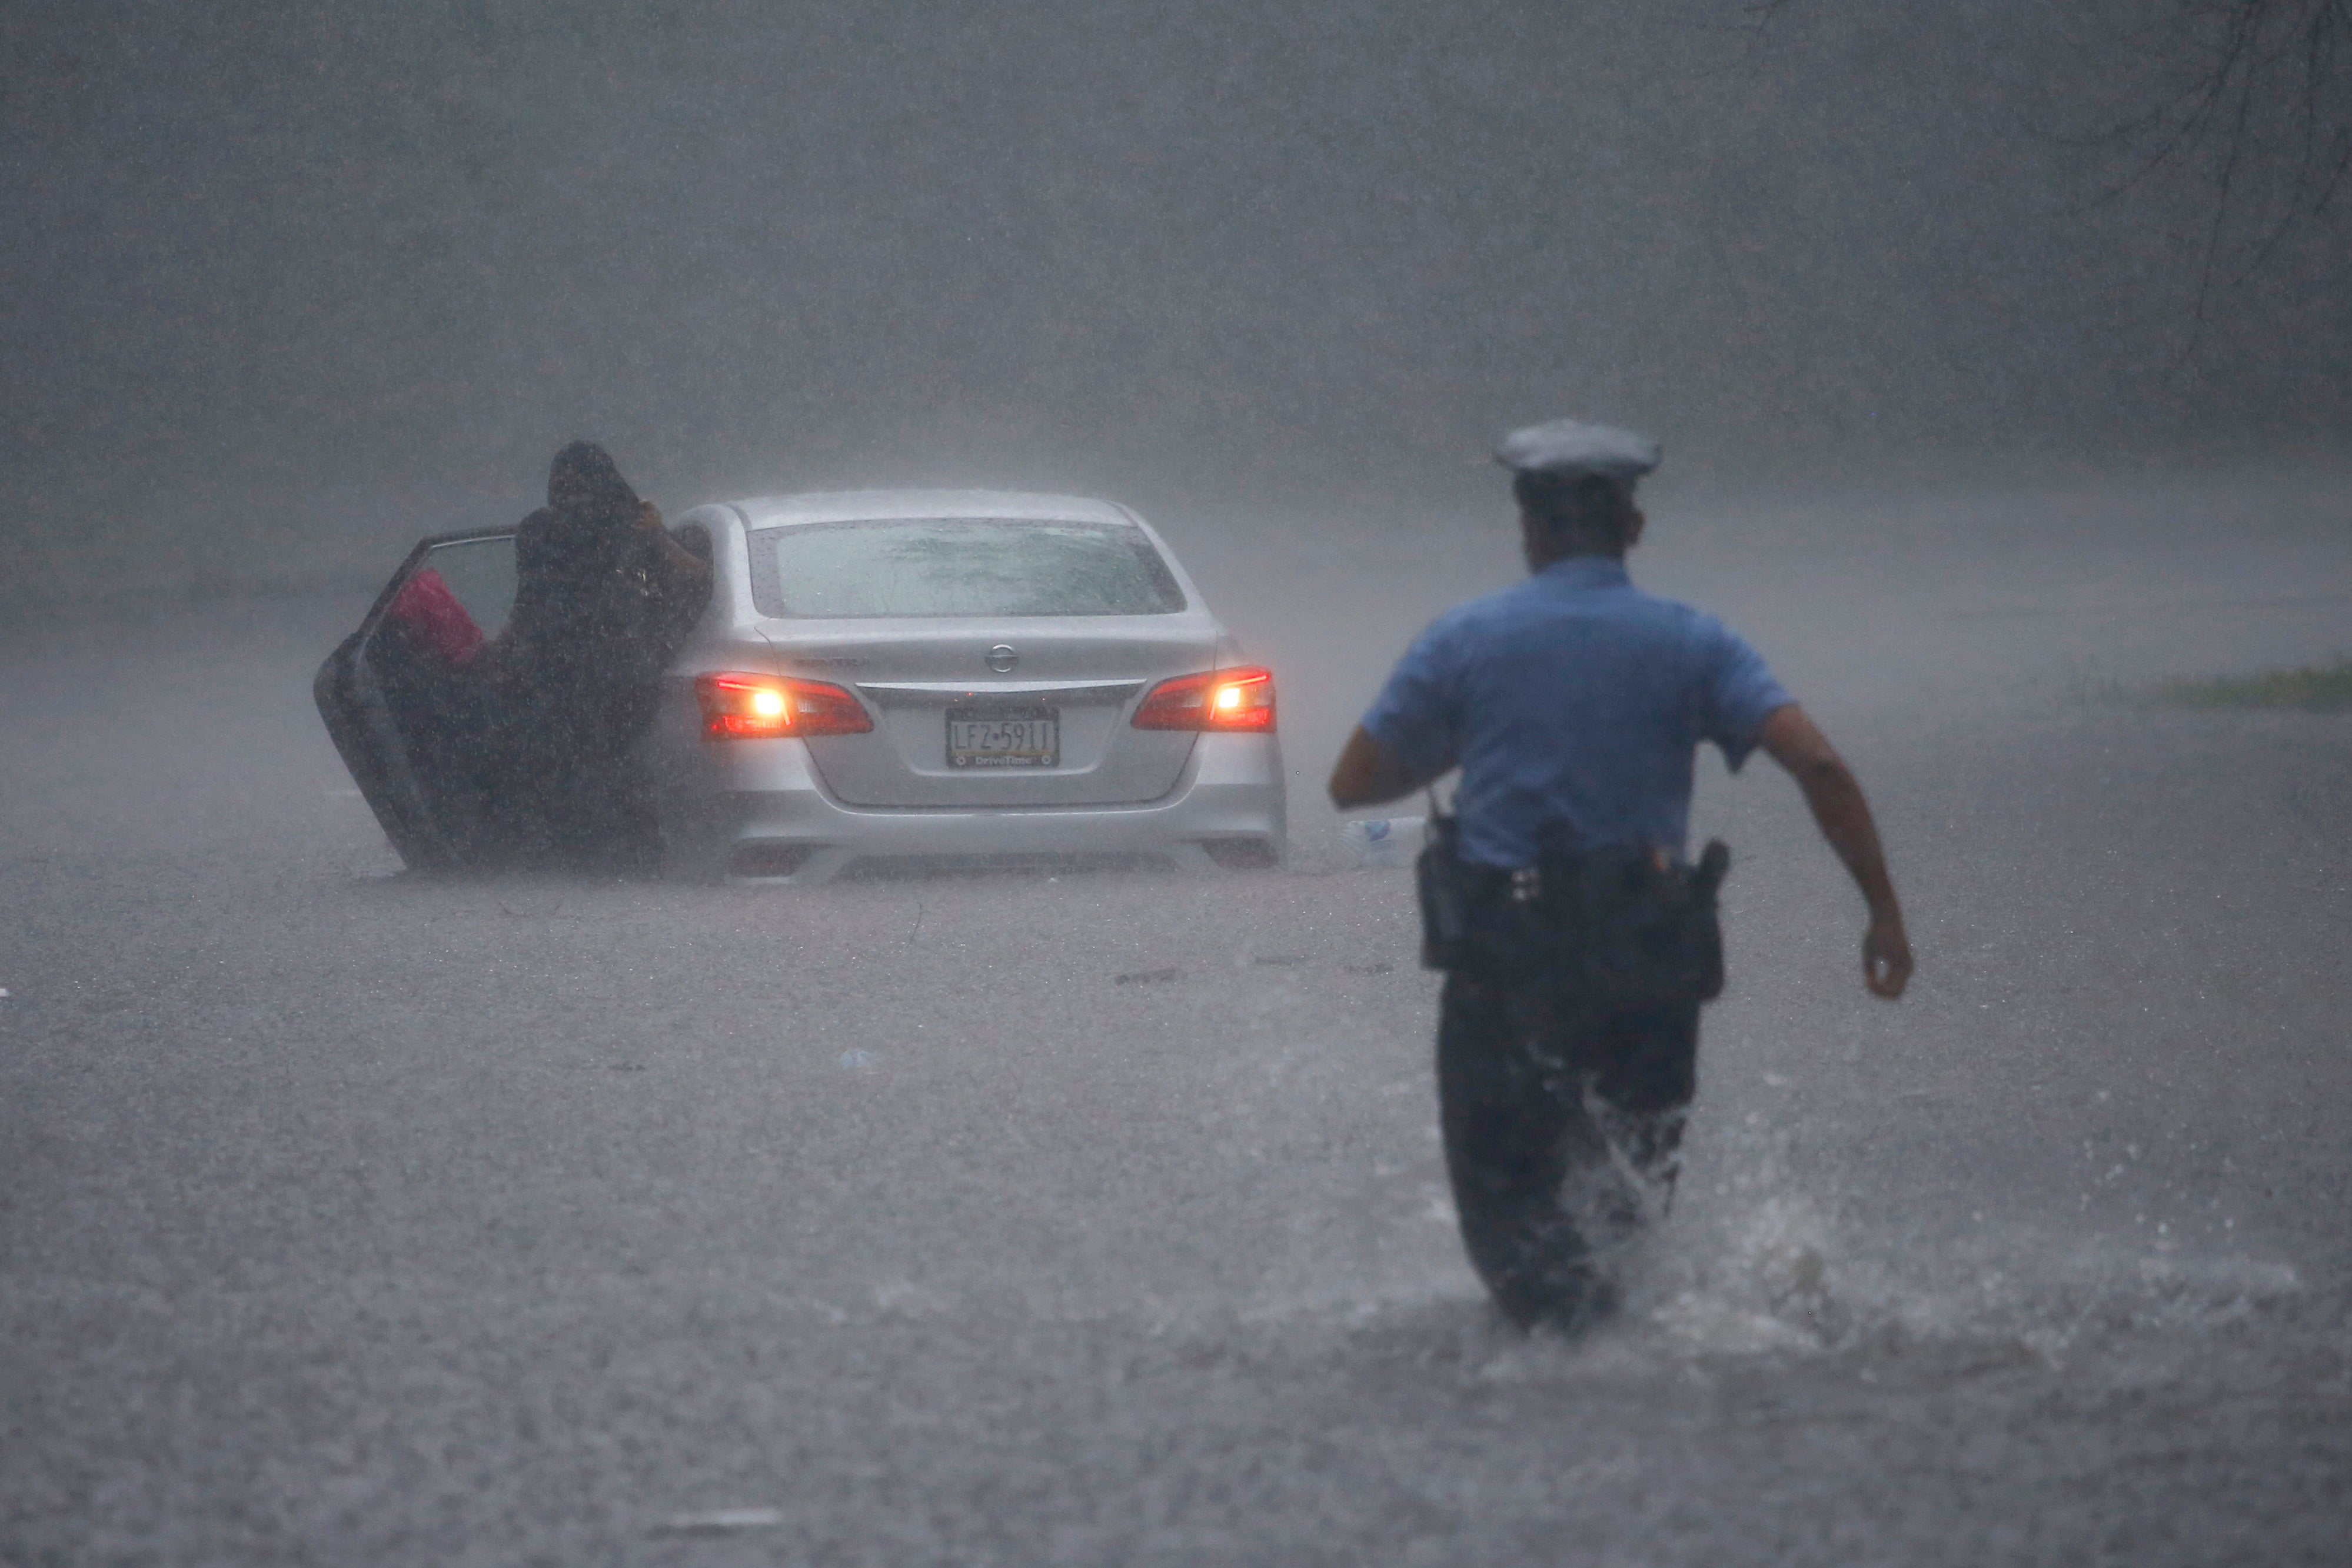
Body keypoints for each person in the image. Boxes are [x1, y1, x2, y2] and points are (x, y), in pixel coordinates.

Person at [1327, 417, 1911, 1331]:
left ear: (1529, 528)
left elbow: (1352, 783)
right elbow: (1823, 768)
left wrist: (1462, 740)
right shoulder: (1696, 642)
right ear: (1630, 527)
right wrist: (1883, 915)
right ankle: (1627, 1375)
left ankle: (1547, 1388)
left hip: (1505, 967)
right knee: (1627, 1214)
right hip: (1647, 964)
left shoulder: (1463, 640)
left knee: (1512, 1229)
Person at [480, 441, 713, 873]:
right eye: (567, 490)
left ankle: (594, 856)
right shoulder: (574, 529)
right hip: (596, 674)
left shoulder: (564, 529)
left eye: (579, 489)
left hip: (585, 676)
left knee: (588, 769)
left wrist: (656, 534)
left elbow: (696, 578)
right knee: (607, 769)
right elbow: (527, 603)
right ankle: (623, 856)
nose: (574, 501)